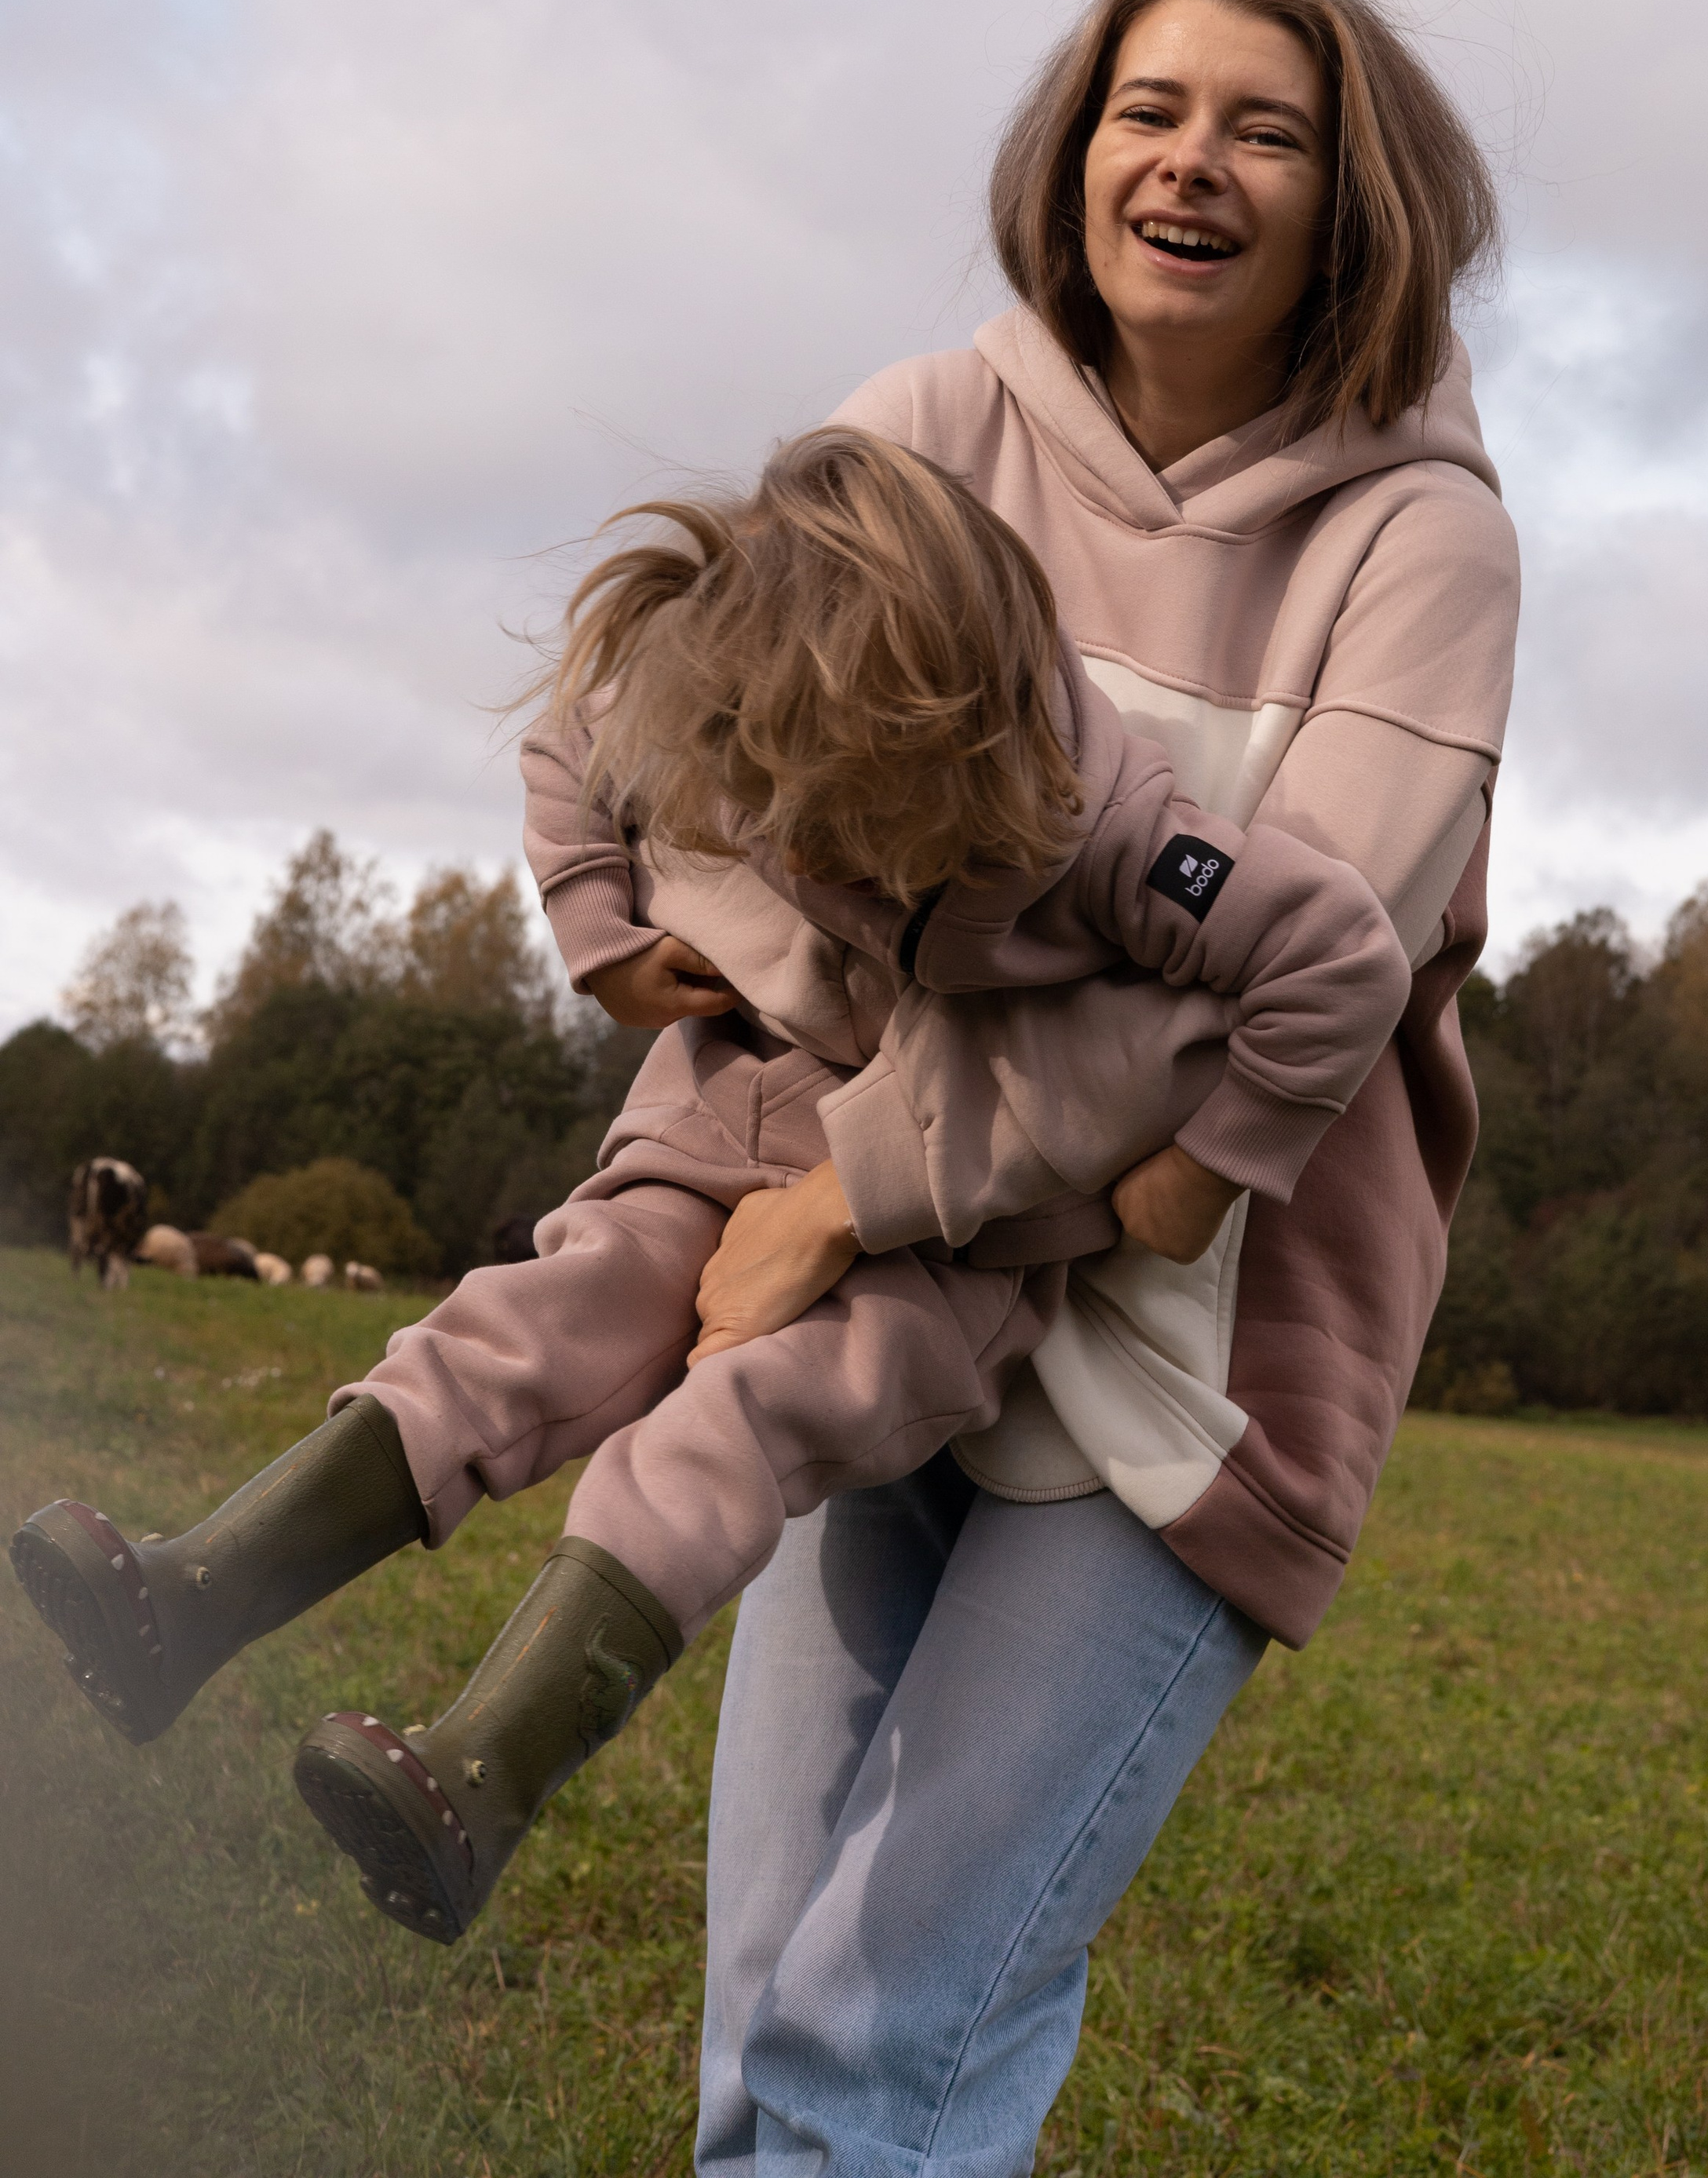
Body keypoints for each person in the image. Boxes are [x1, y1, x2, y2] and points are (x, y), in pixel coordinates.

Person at [539, 0, 1520, 2176]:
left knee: (877, 2047)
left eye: (1265, 132)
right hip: (870, 1306)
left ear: (1353, 203)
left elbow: (1275, 978)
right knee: (756, 2025)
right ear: (1073, 155)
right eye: (1146, 111)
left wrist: (850, 1183)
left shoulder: (1427, 543)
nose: (1190, 163)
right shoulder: (924, 429)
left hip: (1182, 1340)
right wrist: (616, 921)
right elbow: (705, 741)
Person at [8, 429, 1409, 1953]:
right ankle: (186, 1601)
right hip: (724, 1117)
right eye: (763, 795)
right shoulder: (733, 682)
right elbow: (573, 740)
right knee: (526, 1327)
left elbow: (1336, 959)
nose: (789, 844)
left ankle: (478, 1783)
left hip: (946, 1244)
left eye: (841, 823)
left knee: (730, 1425)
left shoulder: (1118, 840)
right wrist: (601, 932)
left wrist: (1209, 1169)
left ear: (966, 756)